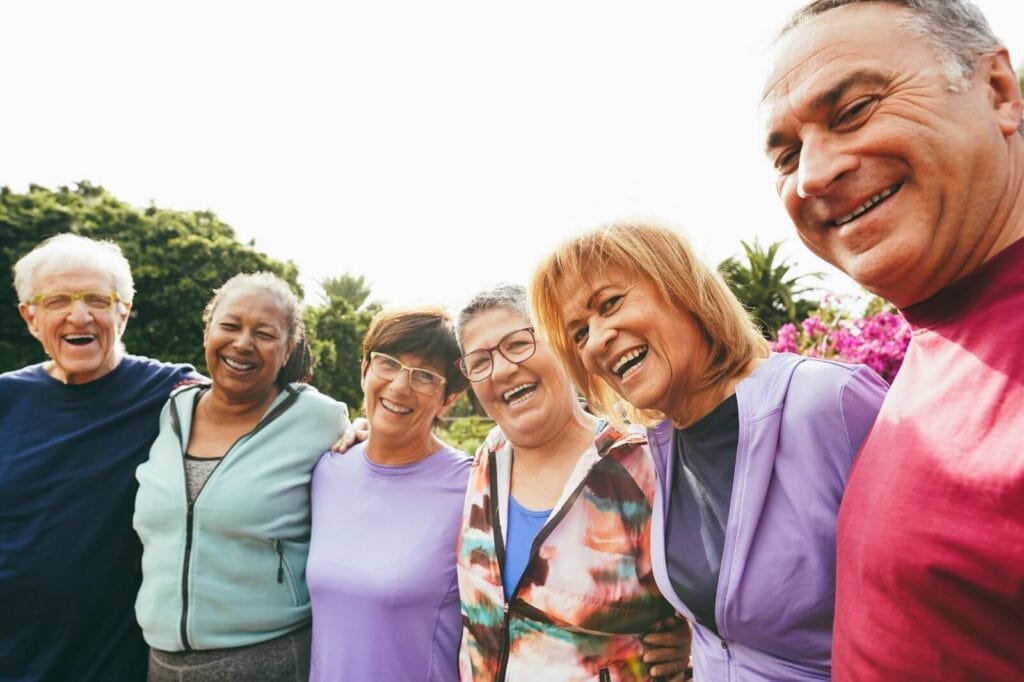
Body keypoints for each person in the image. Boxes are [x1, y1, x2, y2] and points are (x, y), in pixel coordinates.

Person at [762, 1, 1024, 678]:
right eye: (787, 154)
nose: (814, 175)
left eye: (852, 111)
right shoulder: (941, 329)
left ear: (998, 93)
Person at [530, 222, 889, 680]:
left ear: (681, 288)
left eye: (610, 303)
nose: (597, 340)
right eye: (578, 333)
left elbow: (939, 608)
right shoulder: (664, 447)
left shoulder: (829, 401)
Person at [454, 285, 687, 681]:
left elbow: (724, 605)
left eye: (518, 343)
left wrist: (693, 641)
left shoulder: (639, 466)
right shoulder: (488, 460)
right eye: (479, 361)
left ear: (558, 343)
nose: (503, 369)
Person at [133, 272, 348, 680]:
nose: (243, 343)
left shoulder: (318, 419)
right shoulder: (171, 411)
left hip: (268, 659)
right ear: (207, 332)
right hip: (161, 659)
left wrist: (367, 436)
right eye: (229, 326)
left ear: (287, 351)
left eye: (265, 333)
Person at [0, 233, 195, 681]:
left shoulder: (172, 393)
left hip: (106, 665)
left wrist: (359, 433)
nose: (79, 314)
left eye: (96, 299)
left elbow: (264, 411)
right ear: (30, 317)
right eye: (58, 300)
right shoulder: (6, 398)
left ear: (122, 312)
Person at [306, 307, 470, 681]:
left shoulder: (471, 487)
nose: (399, 386)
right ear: (364, 368)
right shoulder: (327, 471)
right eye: (388, 363)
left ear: (448, 399)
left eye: (424, 376)